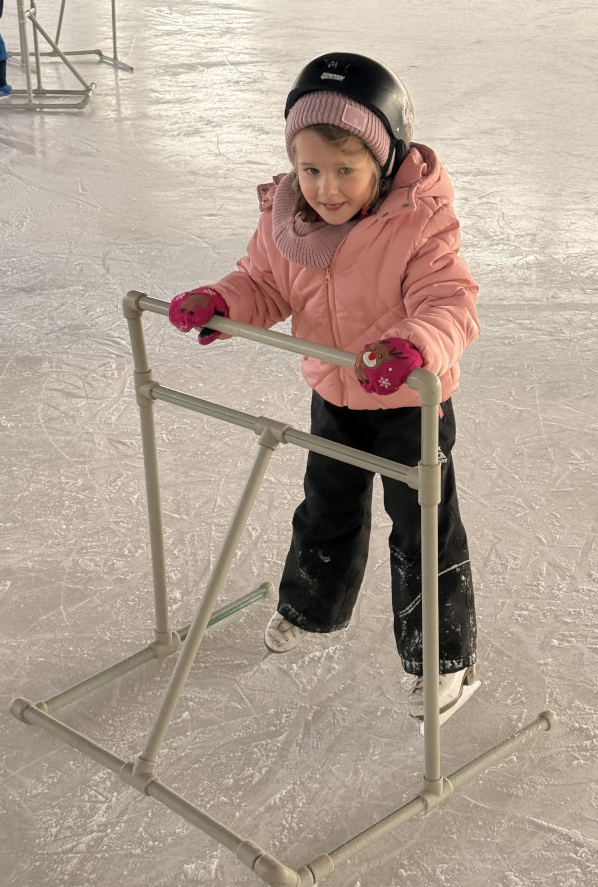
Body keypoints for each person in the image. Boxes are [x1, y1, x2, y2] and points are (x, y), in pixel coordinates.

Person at [169, 52, 480, 722]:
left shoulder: (416, 220)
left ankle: (442, 658)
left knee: (422, 526)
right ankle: (312, 611)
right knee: (326, 508)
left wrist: (413, 346)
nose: (326, 189)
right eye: (311, 169)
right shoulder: (290, 219)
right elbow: (264, 283)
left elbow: (449, 301)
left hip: (407, 401)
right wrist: (220, 302)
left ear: (386, 161)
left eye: (346, 170)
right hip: (335, 394)